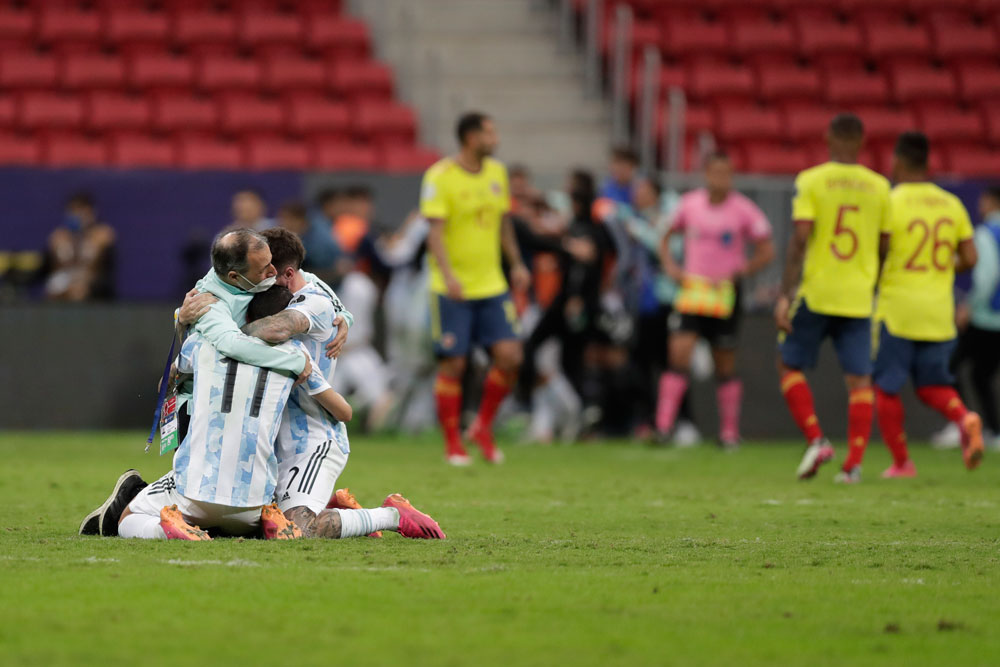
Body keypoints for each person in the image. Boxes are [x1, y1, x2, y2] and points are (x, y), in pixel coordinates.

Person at [115, 286, 337, 541]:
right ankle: (271, 518)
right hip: (254, 504)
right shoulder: (296, 354)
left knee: (128, 518)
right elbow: (343, 410)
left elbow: (165, 385)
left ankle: (168, 529)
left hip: (195, 493)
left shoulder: (203, 342)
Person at [775, 113, 891, 482]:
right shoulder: (880, 187)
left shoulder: (812, 180)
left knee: (787, 365)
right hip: (858, 296)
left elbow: (800, 238)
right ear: (862, 141)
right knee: (860, 381)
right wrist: (872, 282)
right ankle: (853, 464)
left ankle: (817, 440)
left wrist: (784, 294)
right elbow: (885, 244)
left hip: (818, 292)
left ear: (827, 137)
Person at [420, 111, 531, 465]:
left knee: (510, 356)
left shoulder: (497, 173)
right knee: (455, 363)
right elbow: (434, 233)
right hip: (451, 287)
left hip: (492, 284)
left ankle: (482, 426)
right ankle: (453, 442)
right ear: (470, 137)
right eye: (489, 133)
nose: (495, 139)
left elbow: (503, 225)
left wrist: (515, 264)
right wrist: (449, 275)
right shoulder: (440, 176)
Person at [873, 131, 983, 479]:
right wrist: (942, 268)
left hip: (898, 308)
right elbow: (970, 257)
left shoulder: (891, 201)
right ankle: (964, 417)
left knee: (886, 388)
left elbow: (880, 250)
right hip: (938, 310)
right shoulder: (950, 204)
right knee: (932, 385)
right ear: (928, 162)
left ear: (899, 162)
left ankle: (902, 463)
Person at [655, 152, 775, 448]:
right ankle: (663, 427)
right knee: (678, 355)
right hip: (694, 292)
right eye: (716, 172)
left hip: (724, 294)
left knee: (724, 365)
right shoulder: (689, 205)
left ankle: (729, 433)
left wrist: (743, 270)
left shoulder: (744, 210)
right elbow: (665, 236)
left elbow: (767, 250)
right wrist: (671, 267)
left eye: (727, 173)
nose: (721, 179)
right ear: (706, 173)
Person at [946, 186, 1000, 450]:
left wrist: (970, 306)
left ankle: (960, 424)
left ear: (991, 201)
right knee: (982, 375)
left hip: (986, 317)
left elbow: (987, 276)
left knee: (950, 366)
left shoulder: (987, 233)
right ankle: (993, 431)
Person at [44, 192, 116, 301]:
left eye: (81, 210)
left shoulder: (102, 234)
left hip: (92, 281)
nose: (77, 215)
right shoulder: (59, 237)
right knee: (53, 290)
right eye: (73, 210)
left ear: (91, 212)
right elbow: (56, 269)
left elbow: (99, 268)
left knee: (78, 291)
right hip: (67, 278)